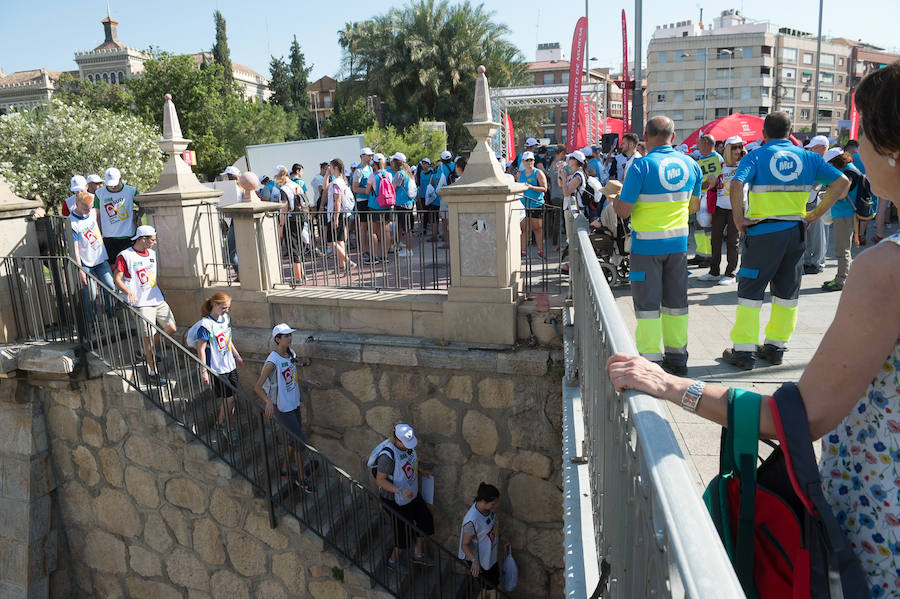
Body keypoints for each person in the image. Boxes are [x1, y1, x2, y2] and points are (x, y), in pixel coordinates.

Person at [607, 59, 900, 594]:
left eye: (864, 140)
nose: (856, 153)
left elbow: (802, 415)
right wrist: (810, 216)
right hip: (777, 233)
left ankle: (741, 348)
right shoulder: (773, 162)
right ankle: (773, 344)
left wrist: (675, 387)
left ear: (892, 148)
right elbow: (834, 183)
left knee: (743, 296)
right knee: (778, 302)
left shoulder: (887, 271)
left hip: (881, 521)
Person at [722, 115, 849, 370]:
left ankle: (744, 351)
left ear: (764, 133)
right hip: (795, 232)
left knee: (750, 291)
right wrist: (815, 214)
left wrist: (738, 219)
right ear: (791, 131)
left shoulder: (756, 156)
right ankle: (776, 347)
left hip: (762, 234)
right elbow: (842, 183)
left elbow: (736, 184)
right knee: (787, 293)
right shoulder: (809, 157)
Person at [615, 116, 702, 376]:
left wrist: (614, 199)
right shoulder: (691, 165)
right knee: (677, 303)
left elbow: (623, 211)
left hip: (645, 248)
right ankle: (678, 357)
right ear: (672, 137)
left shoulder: (640, 167)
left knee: (647, 305)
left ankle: (651, 361)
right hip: (678, 246)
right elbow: (694, 208)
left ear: (645, 136)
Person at [255, 323, 321, 492]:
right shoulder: (272, 361)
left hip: (294, 402)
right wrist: (268, 401)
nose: (290, 338)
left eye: (290, 335)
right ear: (277, 339)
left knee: (294, 439)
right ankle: (300, 476)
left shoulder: (291, 353)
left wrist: (308, 382)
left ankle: (285, 469)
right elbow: (258, 387)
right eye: (286, 336)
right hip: (282, 407)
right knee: (300, 441)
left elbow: (291, 376)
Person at [113, 225, 176, 386]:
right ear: (143, 239)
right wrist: (127, 291)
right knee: (148, 337)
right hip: (141, 303)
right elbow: (117, 279)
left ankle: (144, 351)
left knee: (171, 328)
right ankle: (153, 372)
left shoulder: (153, 254)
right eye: (152, 240)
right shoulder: (125, 256)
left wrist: (161, 290)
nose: (155, 243)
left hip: (156, 298)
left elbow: (154, 275)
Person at [372, 424, 435, 573]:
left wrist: (420, 472)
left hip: (410, 492)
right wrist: (399, 491)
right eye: (405, 444)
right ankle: (393, 560)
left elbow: (408, 463)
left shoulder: (406, 447)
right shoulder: (387, 457)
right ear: (396, 440)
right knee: (402, 534)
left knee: (425, 521)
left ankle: (418, 554)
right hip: (394, 500)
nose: (408, 446)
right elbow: (380, 481)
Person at [194, 292, 244, 445]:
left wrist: (236, 355)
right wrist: (204, 371)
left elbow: (228, 340)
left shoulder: (225, 319)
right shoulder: (205, 325)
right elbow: (201, 349)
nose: (226, 311)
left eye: (228, 308)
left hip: (229, 364)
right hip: (217, 368)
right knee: (229, 400)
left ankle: (221, 422)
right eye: (224, 307)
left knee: (233, 398)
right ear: (215, 305)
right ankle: (229, 428)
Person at [701, 136, 744, 285]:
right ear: (727, 149)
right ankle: (714, 271)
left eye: (740, 147)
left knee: (733, 241)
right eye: (734, 147)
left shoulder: (744, 165)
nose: (738, 151)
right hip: (720, 207)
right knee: (715, 240)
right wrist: (710, 183)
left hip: (736, 208)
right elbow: (704, 186)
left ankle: (731, 273)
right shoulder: (719, 165)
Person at [821, 148, 862, 292]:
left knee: (842, 249)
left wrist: (826, 196)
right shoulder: (849, 169)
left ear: (835, 161)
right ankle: (842, 278)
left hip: (845, 214)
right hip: (844, 214)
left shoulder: (849, 172)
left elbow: (843, 194)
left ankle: (841, 281)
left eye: (830, 164)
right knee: (842, 248)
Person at [69, 190, 114, 319]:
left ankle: (110, 315)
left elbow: (99, 217)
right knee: (91, 294)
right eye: (85, 208)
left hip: (100, 258)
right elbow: (75, 247)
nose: (88, 211)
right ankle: (91, 321)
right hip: (85, 261)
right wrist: (80, 269)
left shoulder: (93, 213)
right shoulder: (72, 222)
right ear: (77, 204)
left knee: (110, 286)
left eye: (90, 208)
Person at [458, 482, 504, 598]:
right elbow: (465, 544)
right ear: (484, 501)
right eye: (494, 503)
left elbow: (493, 526)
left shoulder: (489, 510)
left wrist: (501, 537)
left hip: (489, 558)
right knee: (494, 590)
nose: (496, 506)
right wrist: (474, 560)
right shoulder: (472, 520)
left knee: (489, 589)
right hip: (479, 561)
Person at [95, 167, 141, 266]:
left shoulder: (131, 191)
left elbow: (143, 205)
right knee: (113, 265)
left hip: (128, 235)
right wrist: (99, 232)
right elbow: (98, 215)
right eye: (110, 184)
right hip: (109, 237)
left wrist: (139, 217)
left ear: (120, 179)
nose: (112, 187)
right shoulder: (99, 193)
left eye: (114, 184)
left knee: (128, 265)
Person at [691, 134, 722, 271]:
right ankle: (701, 254)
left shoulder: (717, 159)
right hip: (701, 196)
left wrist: (705, 185)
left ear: (708, 144)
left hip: (710, 197)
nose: (698, 147)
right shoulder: (702, 159)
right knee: (698, 228)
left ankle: (709, 256)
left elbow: (716, 180)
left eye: (700, 144)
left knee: (708, 228)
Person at [802, 135, 831, 274]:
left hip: (821, 205)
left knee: (820, 236)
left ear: (823, 148)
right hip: (809, 203)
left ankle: (818, 263)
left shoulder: (828, 162)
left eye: (814, 148)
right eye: (810, 148)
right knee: (809, 235)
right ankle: (808, 261)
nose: (811, 150)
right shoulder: (812, 161)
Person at [325, 158, 355, 272]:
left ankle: (348, 262)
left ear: (335, 168)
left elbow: (338, 200)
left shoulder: (337, 182)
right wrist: (327, 175)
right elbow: (325, 187)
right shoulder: (342, 180)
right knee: (339, 240)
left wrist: (335, 218)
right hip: (342, 213)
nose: (329, 169)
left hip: (335, 214)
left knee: (330, 241)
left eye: (331, 167)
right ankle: (342, 266)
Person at [517, 151, 547, 257]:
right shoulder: (520, 174)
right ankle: (523, 251)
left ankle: (540, 251)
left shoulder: (538, 173)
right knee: (523, 229)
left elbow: (544, 188)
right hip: (523, 205)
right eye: (527, 160)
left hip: (536, 204)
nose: (530, 162)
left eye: (531, 160)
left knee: (537, 228)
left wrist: (531, 187)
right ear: (523, 162)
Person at [365, 153, 393, 262]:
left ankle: (374, 256)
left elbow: (367, 191)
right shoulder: (389, 174)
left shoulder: (373, 176)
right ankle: (385, 256)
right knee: (386, 231)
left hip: (375, 205)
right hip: (387, 205)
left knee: (373, 232)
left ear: (374, 164)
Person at [352, 148, 376, 262]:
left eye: (371, 155)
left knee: (371, 226)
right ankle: (363, 251)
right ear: (362, 156)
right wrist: (366, 190)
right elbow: (355, 188)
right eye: (368, 155)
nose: (370, 157)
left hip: (371, 200)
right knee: (363, 226)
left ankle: (372, 250)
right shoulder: (358, 171)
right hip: (362, 201)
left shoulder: (370, 168)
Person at [390, 153, 415, 257]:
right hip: (408, 203)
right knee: (406, 227)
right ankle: (407, 248)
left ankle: (409, 250)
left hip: (401, 204)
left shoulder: (400, 173)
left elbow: (393, 187)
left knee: (407, 228)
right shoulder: (407, 172)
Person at [547, 144, 568, 251]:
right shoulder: (559, 165)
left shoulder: (552, 164)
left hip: (555, 195)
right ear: (561, 153)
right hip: (559, 196)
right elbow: (559, 181)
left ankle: (557, 244)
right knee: (558, 221)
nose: (565, 156)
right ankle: (555, 245)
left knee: (558, 221)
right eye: (564, 154)